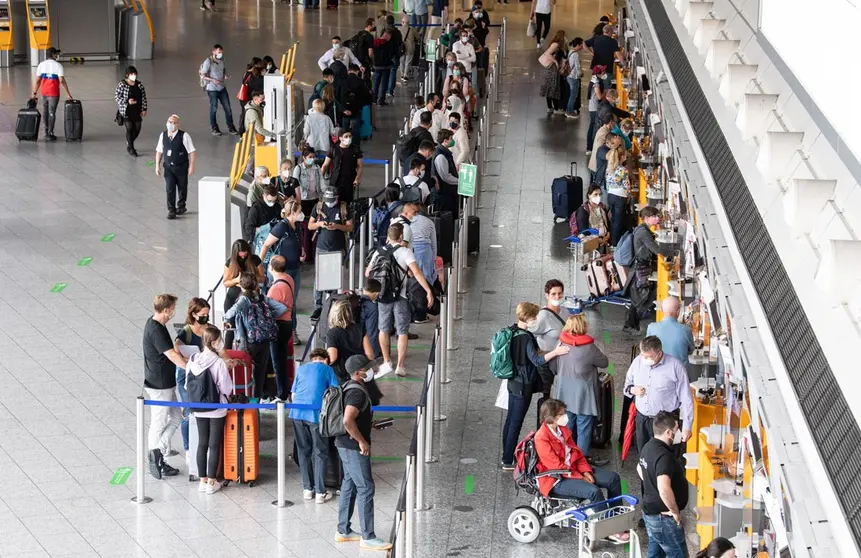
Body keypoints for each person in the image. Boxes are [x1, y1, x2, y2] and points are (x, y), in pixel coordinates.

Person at [534, 399, 629, 542]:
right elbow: (556, 466)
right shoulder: (541, 438)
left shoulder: (562, 430)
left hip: (573, 470)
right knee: (593, 491)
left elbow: (576, 453)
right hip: (558, 479)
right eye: (562, 414)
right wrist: (581, 476)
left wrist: (586, 471)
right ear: (553, 418)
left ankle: (616, 521)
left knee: (613, 479)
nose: (565, 416)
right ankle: (607, 530)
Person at [500, 302, 569, 470]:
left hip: (513, 381)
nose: (536, 319)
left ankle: (506, 454)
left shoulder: (512, 330)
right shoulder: (525, 337)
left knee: (510, 420)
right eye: (534, 316)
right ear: (528, 317)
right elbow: (536, 360)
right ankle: (508, 460)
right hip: (523, 384)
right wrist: (555, 352)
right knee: (516, 422)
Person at [333, 355, 392, 551]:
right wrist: (361, 440)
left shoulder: (349, 386)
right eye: (369, 367)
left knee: (349, 484)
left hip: (343, 443)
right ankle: (368, 536)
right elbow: (347, 421)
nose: (373, 370)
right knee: (366, 487)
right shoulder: (357, 393)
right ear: (358, 372)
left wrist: (370, 424)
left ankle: (343, 530)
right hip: (352, 446)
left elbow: (354, 418)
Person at [366, 224, 434, 377]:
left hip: (383, 296)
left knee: (383, 329)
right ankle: (400, 366)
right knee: (402, 331)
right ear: (402, 236)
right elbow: (416, 272)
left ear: (388, 236)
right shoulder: (405, 252)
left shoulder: (379, 251)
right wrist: (428, 291)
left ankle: (387, 361)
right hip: (401, 296)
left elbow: (368, 272)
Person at [549, 314, 610, 466]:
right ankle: (580, 462)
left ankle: (565, 457)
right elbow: (604, 362)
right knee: (584, 427)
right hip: (584, 395)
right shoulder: (589, 347)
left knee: (567, 425)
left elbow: (553, 366)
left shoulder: (561, 343)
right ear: (583, 327)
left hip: (564, 392)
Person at [143, 294, 188, 479]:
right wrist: (190, 367)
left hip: (165, 382)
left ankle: (157, 453)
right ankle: (155, 457)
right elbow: (171, 355)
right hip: (160, 384)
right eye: (172, 308)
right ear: (166, 310)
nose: (173, 312)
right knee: (159, 422)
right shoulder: (156, 330)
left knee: (176, 416)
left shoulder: (155, 324)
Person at [624, 336, 694, 455]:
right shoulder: (637, 362)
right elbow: (627, 385)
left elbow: (686, 398)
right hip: (643, 419)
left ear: (659, 353)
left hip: (665, 422)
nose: (645, 359)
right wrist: (632, 389)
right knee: (644, 456)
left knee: (665, 457)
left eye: (649, 357)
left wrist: (687, 427)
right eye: (643, 355)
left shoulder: (675, 366)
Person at [223, 273, 288, 400]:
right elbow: (282, 308)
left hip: (248, 341)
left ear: (241, 286)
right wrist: (267, 319)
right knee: (260, 372)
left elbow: (229, 313)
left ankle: (245, 400)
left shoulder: (244, 299)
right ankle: (256, 402)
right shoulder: (263, 298)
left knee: (244, 372)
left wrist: (227, 318)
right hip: (264, 339)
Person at [186, 326, 234, 494]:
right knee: (214, 445)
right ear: (214, 342)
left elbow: (187, 384)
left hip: (198, 407)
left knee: (202, 443)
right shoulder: (219, 362)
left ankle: (202, 480)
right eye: (219, 340)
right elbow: (226, 387)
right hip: (217, 407)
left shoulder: (192, 360)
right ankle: (212, 482)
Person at [637, 411, 691, 558]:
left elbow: (639, 469)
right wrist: (674, 511)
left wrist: (650, 484)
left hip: (651, 513)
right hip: (664, 519)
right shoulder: (664, 456)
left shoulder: (648, 447)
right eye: (676, 429)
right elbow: (664, 488)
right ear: (668, 432)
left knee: (655, 554)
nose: (679, 433)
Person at [290, 348, 340, 502]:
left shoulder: (301, 369)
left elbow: (293, 394)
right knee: (320, 452)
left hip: (297, 414)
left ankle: (307, 489)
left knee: (303, 451)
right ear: (326, 359)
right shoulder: (327, 369)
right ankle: (320, 492)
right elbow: (335, 392)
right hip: (315, 416)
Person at [260, 199, 305, 345]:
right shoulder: (281, 227)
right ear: (292, 213)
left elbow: (298, 242)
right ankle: (281, 329)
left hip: (295, 267)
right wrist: (259, 263)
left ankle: (292, 330)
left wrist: (302, 251)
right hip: (281, 270)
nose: (301, 214)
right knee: (281, 301)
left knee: (293, 301)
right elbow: (266, 244)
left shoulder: (296, 225)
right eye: (299, 212)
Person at [625, 207, 678, 331]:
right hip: (642, 267)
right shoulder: (643, 232)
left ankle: (632, 323)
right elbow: (656, 249)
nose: (658, 218)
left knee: (638, 295)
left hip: (640, 265)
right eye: (655, 216)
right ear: (647, 218)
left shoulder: (641, 229)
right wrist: (674, 252)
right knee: (641, 295)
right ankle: (631, 323)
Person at [173, 297, 210, 455]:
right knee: (188, 411)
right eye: (203, 314)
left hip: (203, 374)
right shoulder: (187, 331)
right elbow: (177, 346)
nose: (206, 317)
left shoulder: (208, 328)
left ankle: (201, 443)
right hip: (186, 376)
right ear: (194, 314)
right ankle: (188, 448)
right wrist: (186, 358)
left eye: (207, 314)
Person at [309, 188, 353, 317]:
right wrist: (320, 224)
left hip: (338, 248)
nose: (329, 203)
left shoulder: (344, 208)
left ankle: (333, 303)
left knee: (335, 277)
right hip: (321, 247)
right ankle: (318, 306)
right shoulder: (318, 206)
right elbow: (310, 225)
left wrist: (337, 226)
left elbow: (350, 227)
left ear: (337, 198)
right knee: (319, 277)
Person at [529, 279, 566, 399]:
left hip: (562, 361)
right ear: (547, 295)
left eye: (559, 293)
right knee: (548, 395)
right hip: (547, 362)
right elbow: (529, 332)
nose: (557, 296)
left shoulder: (565, 311)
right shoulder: (543, 316)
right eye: (553, 294)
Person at [154, 114, 196, 220]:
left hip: (181, 167)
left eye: (174, 123)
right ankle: (171, 210)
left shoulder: (184, 136)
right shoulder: (163, 135)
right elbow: (159, 151)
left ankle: (181, 206)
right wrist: (157, 165)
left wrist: (191, 166)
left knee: (182, 187)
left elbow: (191, 151)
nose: (171, 124)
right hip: (168, 167)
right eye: (170, 122)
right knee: (170, 188)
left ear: (178, 125)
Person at [267, 256, 296, 400]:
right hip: (288, 324)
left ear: (271, 268)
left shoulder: (275, 288)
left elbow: (269, 309)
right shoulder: (288, 279)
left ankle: (281, 393)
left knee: (277, 361)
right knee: (283, 358)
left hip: (278, 325)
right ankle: (284, 390)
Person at [326, 299, 374, 382]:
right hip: (358, 372)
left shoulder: (332, 333)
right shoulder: (360, 328)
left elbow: (333, 357)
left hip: (341, 374)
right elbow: (370, 355)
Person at [31, 47, 72, 141]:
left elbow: (37, 80)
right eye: (56, 54)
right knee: (51, 112)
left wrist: (34, 93)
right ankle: (50, 133)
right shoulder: (58, 66)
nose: (57, 56)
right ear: (53, 54)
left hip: (44, 92)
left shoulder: (41, 65)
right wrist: (68, 94)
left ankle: (46, 132)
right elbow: (62, 81)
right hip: (54, 93)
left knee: (45, 111)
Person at [199, 44, 238, 136]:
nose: (220, 54)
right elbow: (202, 75)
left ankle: (231, 127)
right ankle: (214, 127)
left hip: (222, 87)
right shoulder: (208, 62)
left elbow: (223, 70)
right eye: (219, 52)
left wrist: (226, 76)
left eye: (221, 52)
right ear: (214, 52)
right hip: (212, 89)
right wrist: (213, 80)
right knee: (214, 108)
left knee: (228, 108)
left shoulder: (222, 60)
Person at [294, 147, 325, 260]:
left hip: (315, 200)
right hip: (304, 201)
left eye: (313, 157)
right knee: (306, 228)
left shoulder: (317, 168)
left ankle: (314, 252)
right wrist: (297, 202)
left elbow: (322, 184)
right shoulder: (298, 169)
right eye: (309, 157)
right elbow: (295, 184)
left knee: (315, 227)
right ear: (304, 158)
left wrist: (324, 196)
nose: (312, 159)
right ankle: (306, 253)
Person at [647, 298, 695, 365]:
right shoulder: (686, 330)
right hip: (680, 373)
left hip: (658, 373)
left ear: (662, 310)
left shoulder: (651, 328)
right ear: (678, 311)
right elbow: (690, 350)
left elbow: (647, 349)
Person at [223, 239, 266, 314]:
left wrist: (250, 279)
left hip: (252, 294)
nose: (243, 257)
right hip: (234, 295)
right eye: (240, 255)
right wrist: (236, 280)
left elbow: (262, 278)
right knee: (231, 320)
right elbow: (225, 283)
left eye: (245, 255)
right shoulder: (230, 262)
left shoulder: (255, 259)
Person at [322, 128, 364, 203]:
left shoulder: (355, 149)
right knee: (333, 202)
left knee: (348, 202)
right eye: (346, 136)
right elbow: (325, 165)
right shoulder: (333, 149)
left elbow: (360, 166)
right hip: (335, 181)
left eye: (350, 136)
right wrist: (320, 178)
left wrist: (357, 179)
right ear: (340, 138)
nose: (348, 138)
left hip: (349, 181)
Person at [114, 66, 148, 157]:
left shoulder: (139, 85)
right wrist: (127, 101)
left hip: (136, 110)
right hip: (126, 110)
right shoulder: (122, 85)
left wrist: (144, 109)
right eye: (131, 74)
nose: (134, 76)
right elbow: (117, 97)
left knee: (137, 128)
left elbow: (144, 98)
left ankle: (129, 142)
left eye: (135, 74)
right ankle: (131, 148)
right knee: (129, 128)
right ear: (127, 75)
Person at [340, 64, 373, 149]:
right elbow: (366, 95)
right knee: (355, 130)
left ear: (348, 71)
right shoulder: (360, 81)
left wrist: (342, 109)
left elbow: (339, 95)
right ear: (357, 71)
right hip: (356, 109)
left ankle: (343, 146)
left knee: (345, 128)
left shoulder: (343, 81)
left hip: (345, 109)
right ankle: (355, 148)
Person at [605, 137, 631, 245]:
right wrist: (629, 192)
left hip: (610, 195)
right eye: (624, 155)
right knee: (618, 221)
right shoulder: (623, 170)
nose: (626, 156)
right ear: (621, 157)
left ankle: (611, 240)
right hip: (620, 197)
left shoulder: (610, 167)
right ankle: (616, 243)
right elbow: (626, 186)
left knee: (613, 218)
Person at [432, 129, 460, 218]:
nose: (452, 141)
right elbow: (446, 177)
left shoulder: (444, 153)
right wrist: (460, 181)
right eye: (451, 138)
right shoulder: (440, 156)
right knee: (447, 219)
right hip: (444, 194)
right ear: (445, 140)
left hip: (448, 193)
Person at [539, 30, 567, 114]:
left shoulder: (555, 44)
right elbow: (548, 54)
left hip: (550, 69)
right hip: (552, 69)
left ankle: (550, 107)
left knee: (550, 87)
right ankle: (556, 108)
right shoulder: (556, 44)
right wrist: (555, 62)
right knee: (554, 88)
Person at [585, 75, 612, 156]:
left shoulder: (594, 80)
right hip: (594, 108)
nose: (604, 73)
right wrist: (606, 92)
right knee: (593, 126)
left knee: (592, 126)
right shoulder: (596, 83)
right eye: (602, 72)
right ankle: (590, 147)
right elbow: (599, 96)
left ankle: (590, 147)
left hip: (593, 106)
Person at [591, 117, 618, 188]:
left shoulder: (606, 131)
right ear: (610, 122)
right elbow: (603, 153)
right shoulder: (604, 133)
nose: (615, 124)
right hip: (599, 170)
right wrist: (615, 146)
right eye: (614, 122)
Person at [372, 30, 396, 106]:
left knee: (376, 82)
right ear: (386, 36)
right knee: (384, 84)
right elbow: (391, 54)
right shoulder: (388, 44)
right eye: (389, 37)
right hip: (386, 66)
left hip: (376, 66)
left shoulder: (375, 42)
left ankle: (374, 99)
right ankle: (381, 100)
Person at [360, 279, 382, 358]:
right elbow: (372, 332)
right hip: (363, 345)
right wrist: (373, 355)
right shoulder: (372, 307)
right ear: (376, 294)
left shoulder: (356, 301)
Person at [384, 15, 403, 97]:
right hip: (395, 55)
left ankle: (384, 89)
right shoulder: (397, 32)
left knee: (385, 72)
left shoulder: (383, 31)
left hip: (385, 55)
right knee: (393, 72)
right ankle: (390, 90)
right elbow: (400, 43)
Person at [565, 38, 584, 118]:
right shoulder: (575, 54)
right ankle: (569, 111)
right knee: (573, 95)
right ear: (578, 45)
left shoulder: (570, 52)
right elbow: (577, 66)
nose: (582, 47)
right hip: (574, 77)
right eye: (581, 45)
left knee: (572, 94)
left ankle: (569, 110)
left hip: (569, 76)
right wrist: (580, 74)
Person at [399, 15, 417, 83]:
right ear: (409, 22)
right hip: (410, 48)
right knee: (408, 63)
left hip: (401, 49)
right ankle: (406, 76)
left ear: (402, 22)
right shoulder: (412, 29)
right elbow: (418, 37)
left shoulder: (399, 29)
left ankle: (402, 74)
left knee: (402, 62)